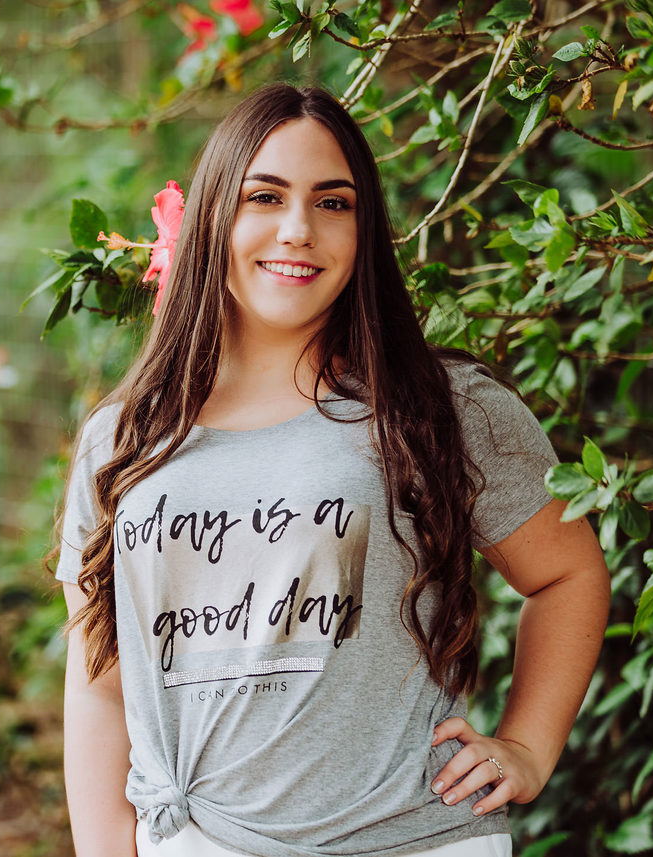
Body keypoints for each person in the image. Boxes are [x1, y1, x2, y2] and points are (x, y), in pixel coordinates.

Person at [54, 83, 610, 857]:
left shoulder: (437, 407)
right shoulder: (127, 437)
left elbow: (568, 572)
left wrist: (529, 746)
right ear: (215, 216)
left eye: (334, 203)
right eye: (265, 195)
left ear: (364, 229)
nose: (298, 230)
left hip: (409, 840)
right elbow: (99, 678)